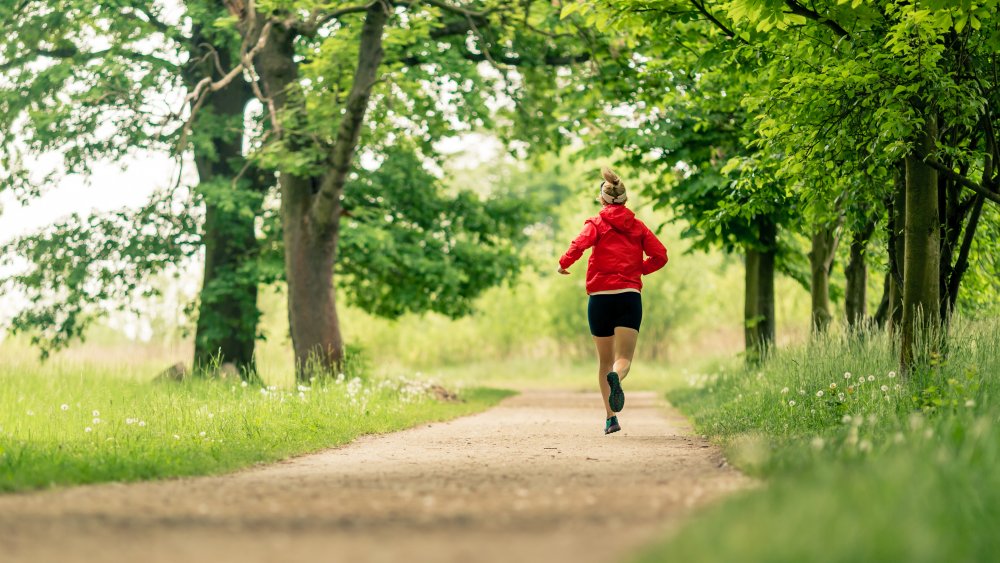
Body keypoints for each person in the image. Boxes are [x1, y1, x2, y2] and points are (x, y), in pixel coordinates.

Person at [558, 168, 668, 435]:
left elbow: (578, 246)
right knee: (623, 360)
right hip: (629, 297)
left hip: (600, 299)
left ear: (602, 200)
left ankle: (610, 418)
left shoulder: (596, 224)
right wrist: (638, 269)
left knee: (603, 362)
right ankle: (617, 378)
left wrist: (564, 264)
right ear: (625, 200)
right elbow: (660, 256)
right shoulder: (638, 227)